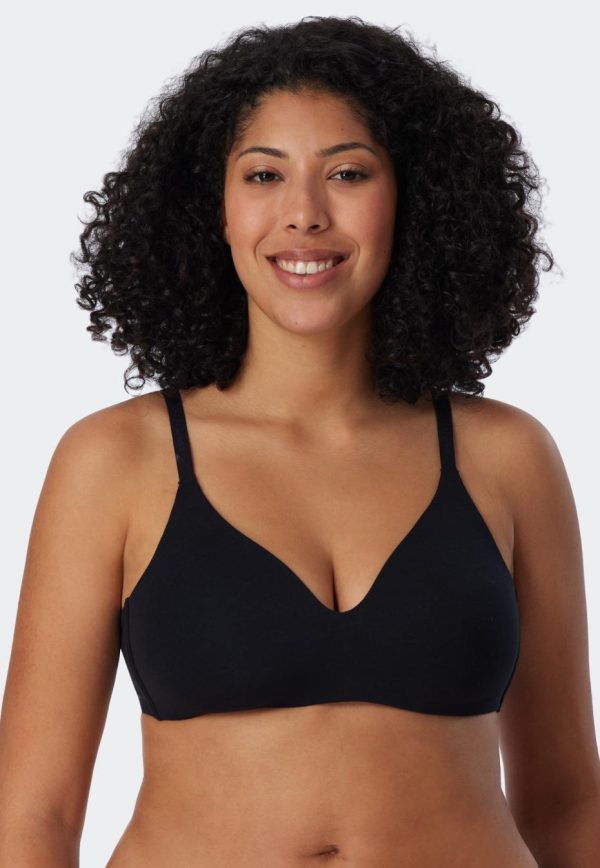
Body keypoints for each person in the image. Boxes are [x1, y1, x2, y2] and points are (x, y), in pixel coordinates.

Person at [1, 14, 599, 867]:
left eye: (348, 173)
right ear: (213, 208)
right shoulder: (115, 461)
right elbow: (33, 816)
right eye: (264, 175)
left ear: (415, 198)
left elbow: (568, 801)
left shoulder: (507, 456)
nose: (305, 215)